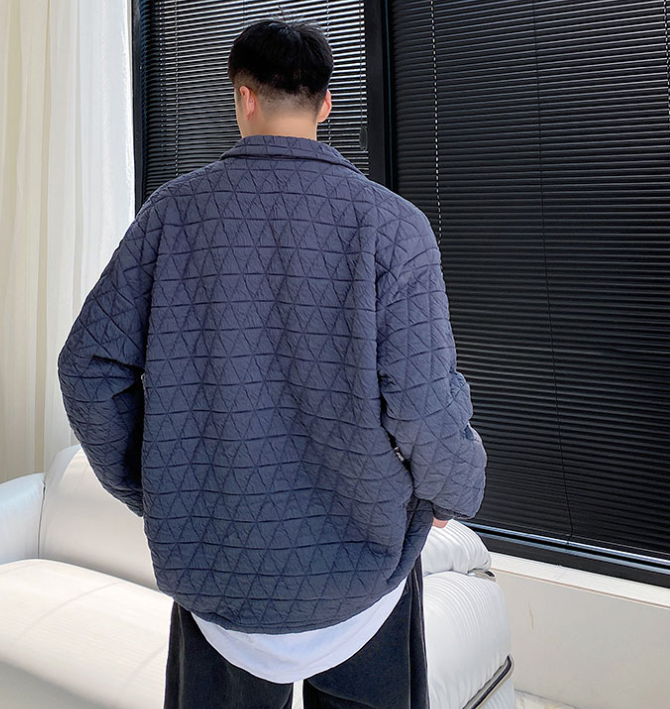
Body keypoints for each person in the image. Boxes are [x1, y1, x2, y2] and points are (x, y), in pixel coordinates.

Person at [57, 16, 487, 709]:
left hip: (218, 569)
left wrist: (157, 485)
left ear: (244, 96)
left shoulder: (171, 215)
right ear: (326, 104)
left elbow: (87, 368)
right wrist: (452, 491)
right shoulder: (394, 227)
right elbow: (423, 401)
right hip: (362, 571)